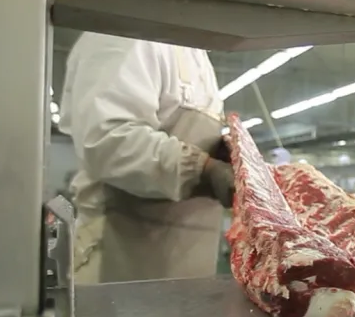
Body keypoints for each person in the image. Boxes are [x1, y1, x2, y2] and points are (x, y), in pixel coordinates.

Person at [59, 32, 235, 285]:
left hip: (185, 271)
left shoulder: (193, 51)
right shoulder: (123, 32)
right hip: (121, 261)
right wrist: (202, 169)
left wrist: (218, 151)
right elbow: (107, 141)